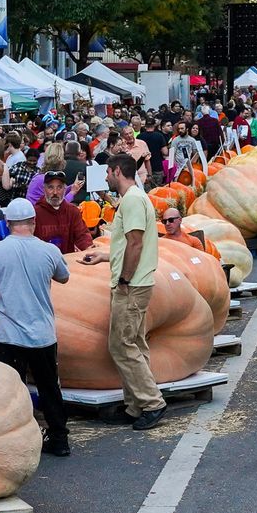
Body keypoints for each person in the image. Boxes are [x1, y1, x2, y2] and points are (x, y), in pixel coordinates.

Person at [0, 198, 72, 456]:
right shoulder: (48, 251)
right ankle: (59, 438)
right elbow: (64, 276)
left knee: (10, 390)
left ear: (8, 223)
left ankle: (12, 442)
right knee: (49, 387)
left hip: (8, 333)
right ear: (33, 222)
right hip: (42, 333)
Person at [76, 153, 166, 430]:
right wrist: (105, 257)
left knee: (121, 345)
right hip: (134, 282)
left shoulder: (133, 200)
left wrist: (125, 278)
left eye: (107, 172)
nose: (105, 177)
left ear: (117, 171)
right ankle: (135, 405)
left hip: (132, 284)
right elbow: (128, 244)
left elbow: (136, 243)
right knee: (134, 344)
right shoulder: (132, 200)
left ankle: (152, 403)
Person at [32, 170, 94, 252]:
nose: (55, 192)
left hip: (67, 261)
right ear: (44, 189)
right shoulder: (35, 213)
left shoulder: (73, 212)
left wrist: (89, 248)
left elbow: (82, 235)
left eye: (59, 187)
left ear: (65, 189)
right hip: (42, 262)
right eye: (50, 187)